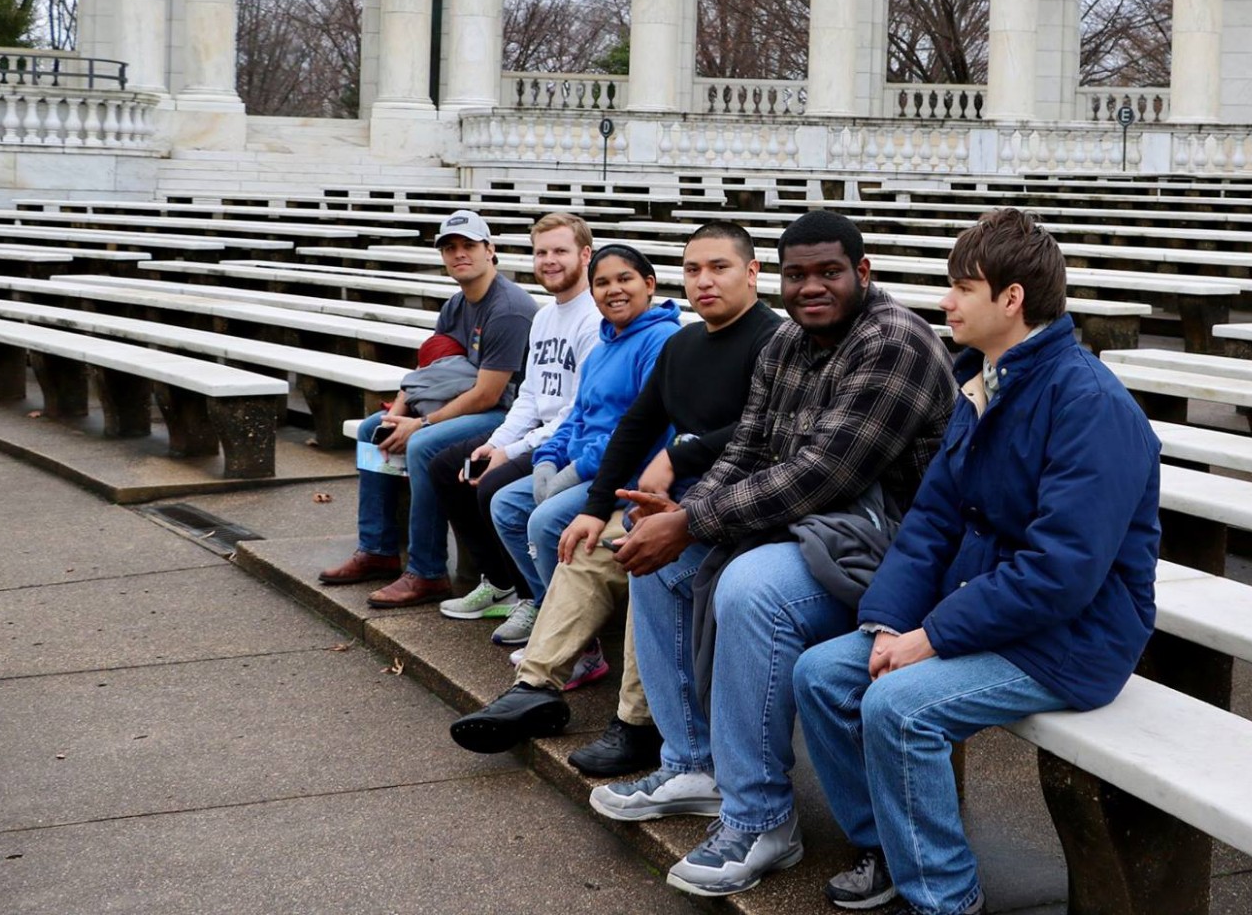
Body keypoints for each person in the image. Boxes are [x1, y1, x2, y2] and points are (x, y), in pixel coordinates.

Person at [794, 209, 1161, 915]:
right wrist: (886, 624)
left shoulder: (1089, 403)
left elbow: (1062, 570)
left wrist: (931, 638)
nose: (946, 301)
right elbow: (933, 519)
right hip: (993, 613)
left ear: (1012, 299)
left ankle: (944, 898)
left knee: (899, 707)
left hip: (1073, 639)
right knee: (822, 674)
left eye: (963, 287)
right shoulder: (985, 381)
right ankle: (894, 853)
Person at [591, 211, 956, 902]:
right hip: (819, 530)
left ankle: (761, 819)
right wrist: (680, 523)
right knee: (657, 560)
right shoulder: (787, 342)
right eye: (798, 274)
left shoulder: (893, 341)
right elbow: (749, 449)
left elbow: (825, 472)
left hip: (897, 549)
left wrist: (695, 517)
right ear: (779, 278)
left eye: (829, 272)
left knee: (752, 588)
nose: (812, 287)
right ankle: (695, 763)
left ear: (864, 273)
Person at [448, 220, 782, 778]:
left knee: (644, 560)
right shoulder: (686, 343)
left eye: (719, 268)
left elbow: (765, 429)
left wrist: (681, 455)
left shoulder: (774, 340)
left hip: (733, 505)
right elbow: (635, 426)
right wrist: (593, 506)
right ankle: (535, 685)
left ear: (751, 272)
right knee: (585, 545)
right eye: (694, 269)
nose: (705, 281)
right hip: (669, 500)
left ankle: (636, 723)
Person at [318, 210, 539, 608]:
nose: (459, 255)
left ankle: (426, 572)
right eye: (450, 248)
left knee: (424, 445)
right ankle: (379, 548)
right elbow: (431, 368)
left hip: (510, 414)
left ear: (491, 251)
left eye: (469, 246)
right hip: (463, 401)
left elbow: (489, 395)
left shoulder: (508, 309)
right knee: (374, 429)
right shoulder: (456, 304)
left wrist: (420, 423)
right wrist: (398, 412)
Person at [484, 244, 680, 648]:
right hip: (586, 464)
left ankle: (578, 645)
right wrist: (547, 460)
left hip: (626, 473)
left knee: (544, 519)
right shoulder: (604, 345)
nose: (614, 290)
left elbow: (643, 430)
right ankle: (548, 609)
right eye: (602, 283)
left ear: (649, 284)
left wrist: (575, 471)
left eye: (624, 279)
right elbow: (576, 415)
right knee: (506, 504)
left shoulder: (661, 340)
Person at [428, 212, 601, 626]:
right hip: (537, 433)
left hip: (567, 439)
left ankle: (535, 599)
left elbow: (575, 411)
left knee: (493, 485)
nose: (549, 260)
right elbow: (529, 395)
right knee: (449, 466)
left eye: (560, 251)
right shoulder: (543, 317)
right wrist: (497, 443)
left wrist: (513, 450)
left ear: (585, 254)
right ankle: (500, 582)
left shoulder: (593, 319)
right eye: (541, 252)